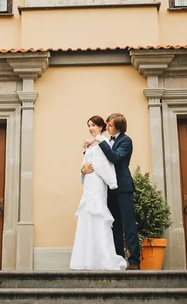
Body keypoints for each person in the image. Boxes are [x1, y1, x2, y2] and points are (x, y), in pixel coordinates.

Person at [84, 113, 141, 270]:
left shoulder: (126, 141)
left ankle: (135, 261)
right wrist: (92, 145)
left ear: (119, 126)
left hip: (123, 188)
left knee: (128, 224)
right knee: (114, 225)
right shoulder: (107, 140)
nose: (106, 127)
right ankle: (118, 259)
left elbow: (115, 157)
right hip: (109, 189)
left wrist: (100, 141)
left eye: (110, 125)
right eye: (107, 124)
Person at [70, 115, 127, 270]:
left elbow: (104, 165)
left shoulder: (104, 143)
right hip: (88, 183)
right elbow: (83, 164)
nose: (91, 128)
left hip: (97, 183)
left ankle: (102, 259)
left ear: (101, 127)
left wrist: (112, 183)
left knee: (98, 214)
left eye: (94, 125)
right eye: (89, 125)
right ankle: (86, 259)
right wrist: (82, 170)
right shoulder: (89, 145)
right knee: (87, 215)